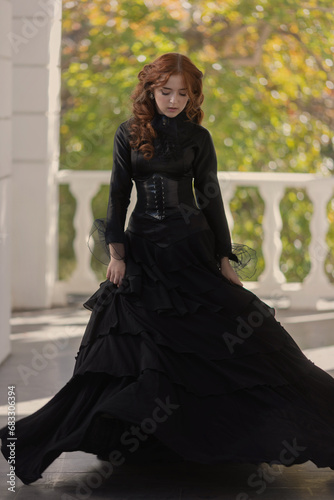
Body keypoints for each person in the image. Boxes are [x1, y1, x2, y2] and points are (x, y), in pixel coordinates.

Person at [1, 52, 334, 486]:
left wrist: (224, 258)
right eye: (166, 92)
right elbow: (118, 195)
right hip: (143, 251)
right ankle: (141, 437)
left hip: (190, 247)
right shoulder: (129, 134)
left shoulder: (199, 138)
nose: (174, 100)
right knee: (137, 346)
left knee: (235, 336)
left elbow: (210, 199)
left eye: (183, 93)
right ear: (150, 91)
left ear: (193, 97)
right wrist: (116, 253)